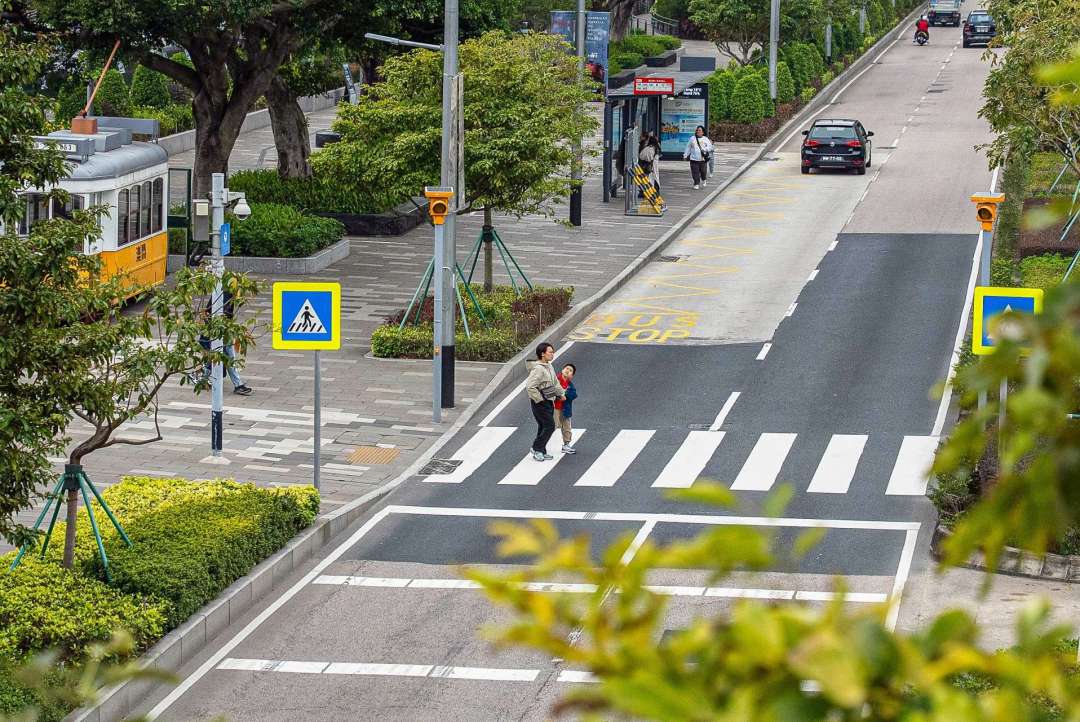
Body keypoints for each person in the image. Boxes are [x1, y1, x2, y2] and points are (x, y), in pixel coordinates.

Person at [198, 290, 252, 396]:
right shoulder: (225, 295)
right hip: (219, 333)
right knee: (227, 358)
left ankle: (203, 380)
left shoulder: (224, 294)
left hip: (222, 332)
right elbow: (214, 313)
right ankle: (238, 385)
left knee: (222, 357)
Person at [525, 342, 565, 461]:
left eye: (553, 352)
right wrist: (539, 399)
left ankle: (540, 450)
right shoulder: (538, 369)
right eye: (550, 352)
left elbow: (555, 383)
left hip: (549, 400)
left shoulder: (549, 366)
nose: (552, 354)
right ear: (542, 354)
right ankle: (536, 447)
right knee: (550, 426)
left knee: (543, 426)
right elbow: (530, 386)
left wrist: (561, 394)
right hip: (540, 402)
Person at [553, 363, 578, 454]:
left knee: (567, 427)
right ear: (562, 370)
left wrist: (565, 393)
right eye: (566, 368)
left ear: (572, 376)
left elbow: (574, 395)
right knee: (551, 427)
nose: (567, 370)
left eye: (570, 370)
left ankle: (566, 444)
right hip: (554, 408)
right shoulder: (555, 380)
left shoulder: (570, 385)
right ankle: (539, 446)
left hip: (565, 409)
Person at [682, 125, 714, 190]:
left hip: (703, 159)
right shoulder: (692, 138)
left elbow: (710, 147)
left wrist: (705, 149)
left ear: (703, 132)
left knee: (703, 172)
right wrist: (685, 155)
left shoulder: (705, 139)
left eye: (699, 130)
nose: (698, 131)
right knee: (695, 172)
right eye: (697, 130)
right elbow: (688, 147)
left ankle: (704, 179)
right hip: (694, 159)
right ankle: (696, 183)